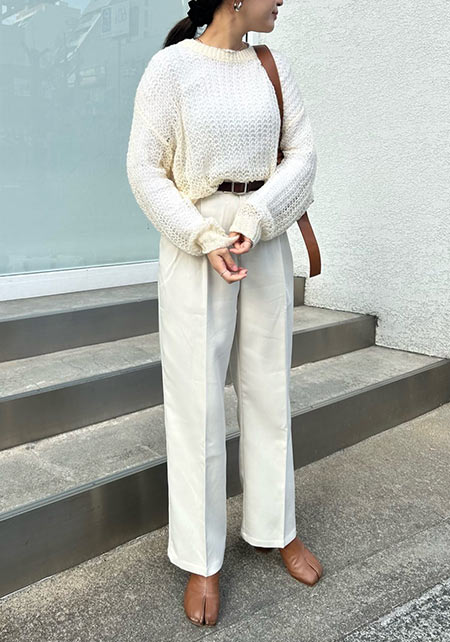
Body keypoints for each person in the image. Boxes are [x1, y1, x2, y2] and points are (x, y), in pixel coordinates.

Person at [126, 0, 323, 627]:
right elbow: (145, 169)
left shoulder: (271, 65)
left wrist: (259, 217)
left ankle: (276, 527)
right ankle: (201, 558)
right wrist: (202, 235)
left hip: (264, 232)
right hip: (197, 239)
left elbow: (303, 154)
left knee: (269, 387)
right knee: (197, 399)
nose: (282, 1)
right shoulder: (171, 69)